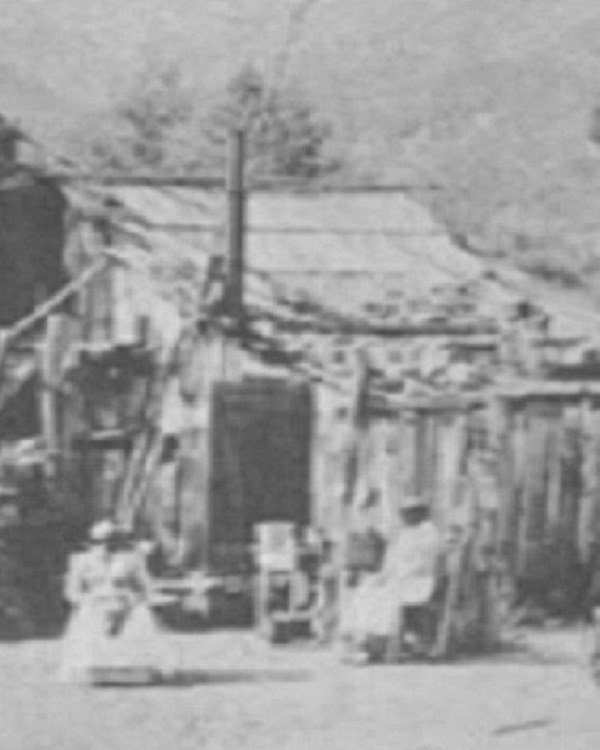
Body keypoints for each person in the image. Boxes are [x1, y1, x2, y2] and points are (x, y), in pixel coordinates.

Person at [59, 520, 172, 684]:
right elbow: (72, 591)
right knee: (88, 617)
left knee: (140, 616)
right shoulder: (80, 561)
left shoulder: (132, 560)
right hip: (94, 604)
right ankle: (93, 668)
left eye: (111, 541)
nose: (105, 546)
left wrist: (130, 600)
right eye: (100, 542)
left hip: (126, 604)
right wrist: (89, 600)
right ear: (91, 543)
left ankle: (137, 669)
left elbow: (146, 587)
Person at [340, 495, 441, 664]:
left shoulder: (428, 533)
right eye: (405, 513)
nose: (406, 517)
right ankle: (364, 642)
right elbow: (392, 560)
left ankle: (380, 644)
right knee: (366, 590)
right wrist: (383, 575)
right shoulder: (404, 533)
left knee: (385, 597)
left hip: (418, 581)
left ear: (421, 514)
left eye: (411, 513)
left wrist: (396, 575)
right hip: (400, 578)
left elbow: (423, 562)